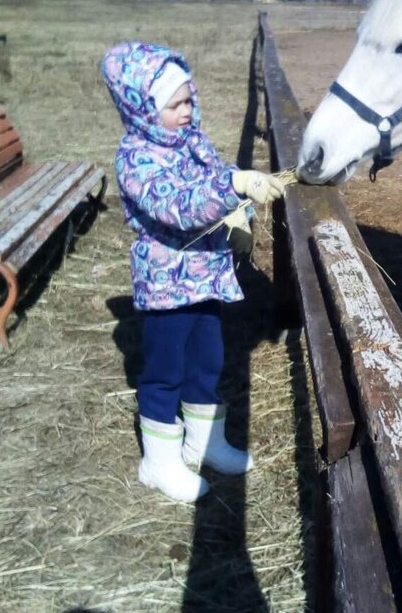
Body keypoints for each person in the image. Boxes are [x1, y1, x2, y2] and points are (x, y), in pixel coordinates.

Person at [102, 42, 286, 503]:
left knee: (207, 358)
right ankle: (159, 462)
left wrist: (238, 214)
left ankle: (205, 443)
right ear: (143, 108)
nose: (186, 111)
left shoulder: (193, 143)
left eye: (189, 100)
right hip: (166, 284)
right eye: (174, 104)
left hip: (204, 275)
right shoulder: (135, 158)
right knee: (165, 369)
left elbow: (214, 179)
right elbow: (177, 206)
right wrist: (235, 185)